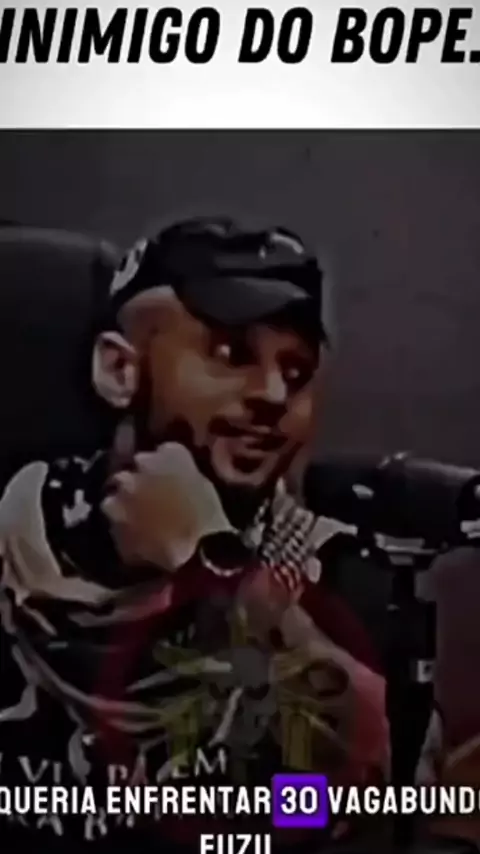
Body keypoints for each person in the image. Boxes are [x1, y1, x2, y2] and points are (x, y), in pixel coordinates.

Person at [0, 217, 389, 849]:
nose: (273, 394)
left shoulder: (340, 580)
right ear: (119, 370)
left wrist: (209, 567)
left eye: (296, 372)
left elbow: (336, 809)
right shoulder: (16, 536)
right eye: (232, 355)